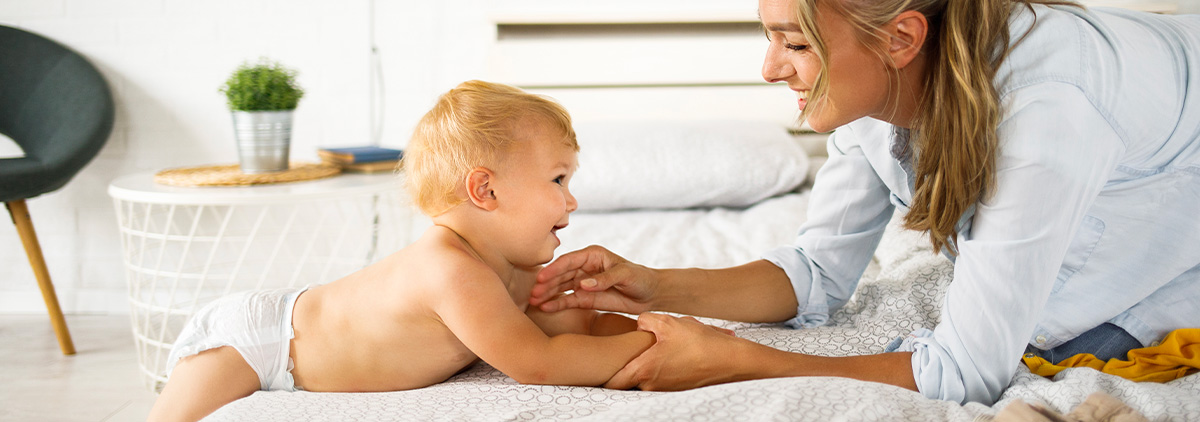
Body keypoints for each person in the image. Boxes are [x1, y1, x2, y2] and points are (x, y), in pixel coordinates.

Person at [530, 0, 1200, 405]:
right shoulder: (870, 91)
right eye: (769, 37)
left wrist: (741, 361)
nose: (768, 69)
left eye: (794, 43)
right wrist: (652, 287)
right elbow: (816, 273)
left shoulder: (1045, 118)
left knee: (1076, 337)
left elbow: (966, 374)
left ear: (902, 39)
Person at [148, 80, 659, 421]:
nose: (572, 198)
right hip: (260, 340)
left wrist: (625, 320)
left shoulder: (516, 267)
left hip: (297, 321)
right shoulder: (450, 271)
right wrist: (660, 345)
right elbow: (540, 364)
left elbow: (562, 338)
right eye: (558, 178)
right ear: (486, 191)